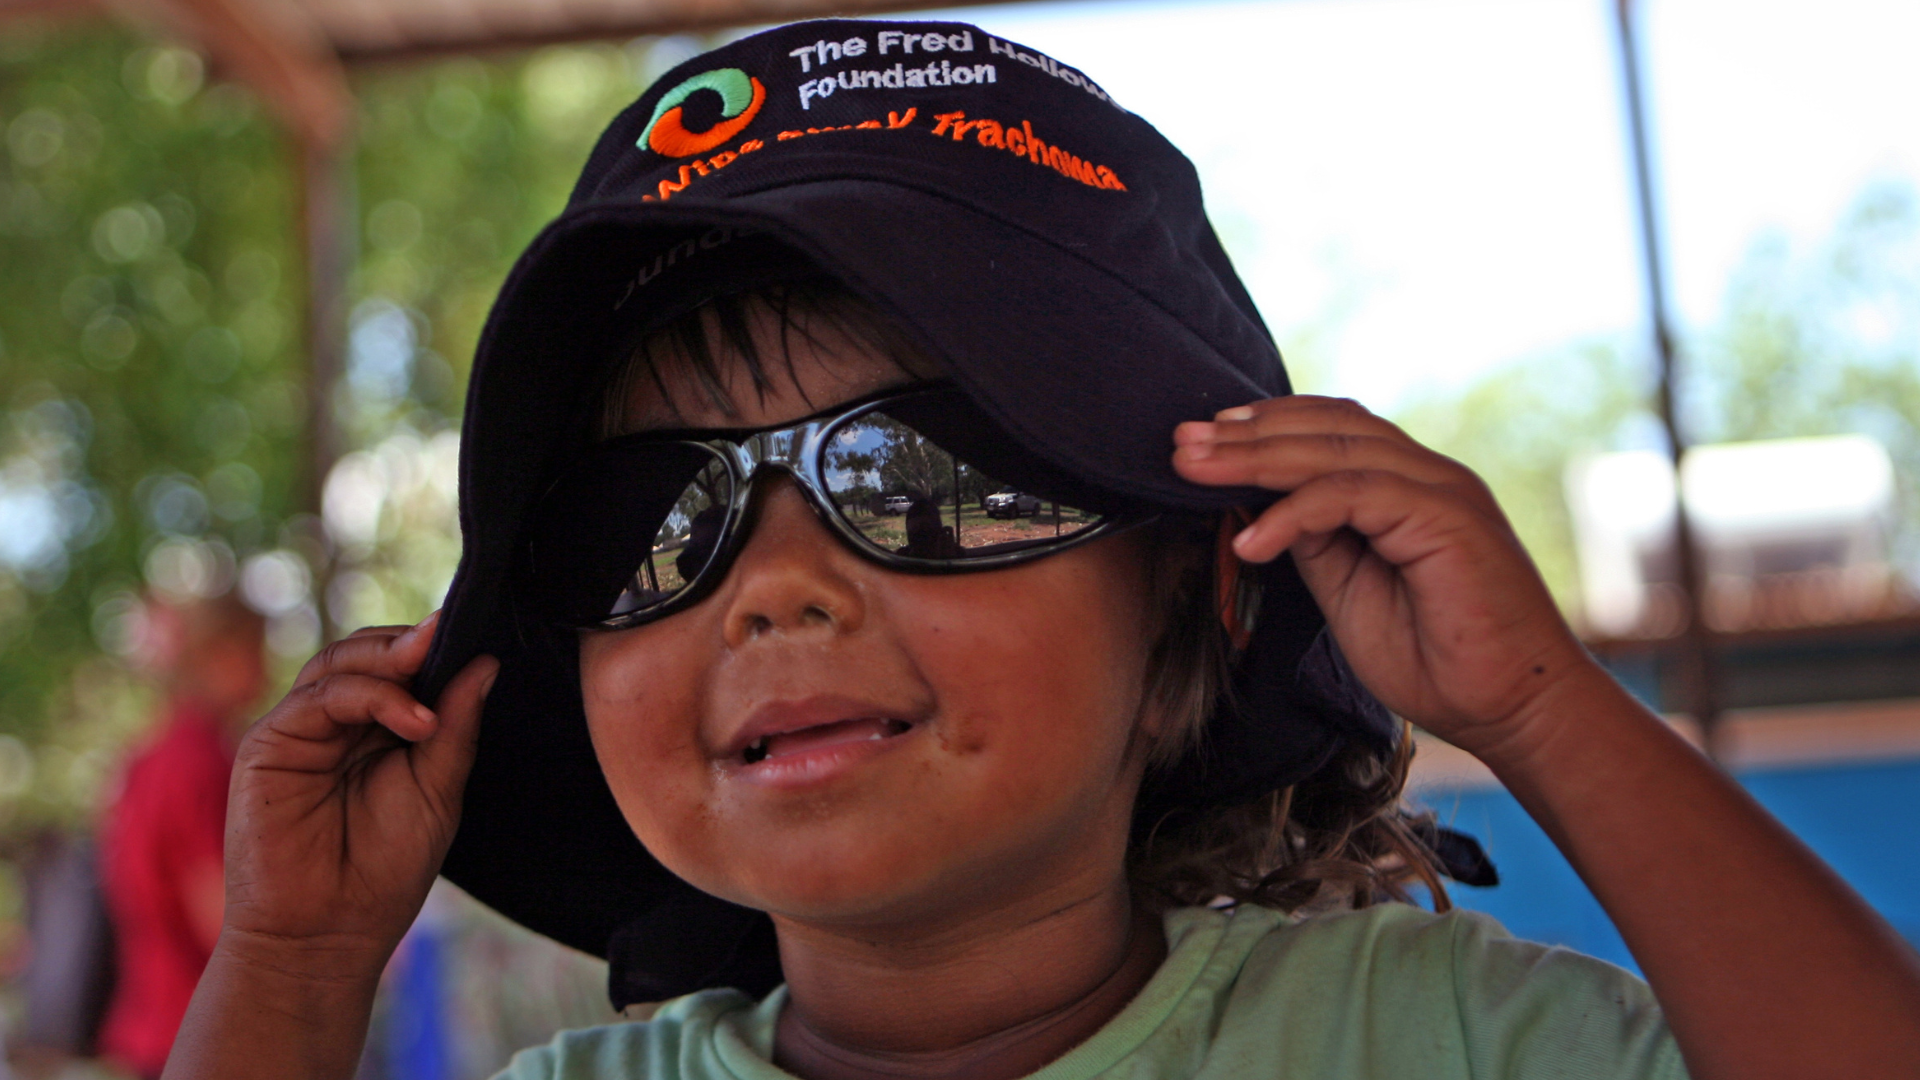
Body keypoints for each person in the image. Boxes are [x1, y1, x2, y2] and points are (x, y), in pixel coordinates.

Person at [166, 19, 1920, 1080]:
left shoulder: (1443, 1040)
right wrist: (298, 972)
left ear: (1192, 601)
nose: (774, 583)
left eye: (927, 477)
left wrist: (1544, 710)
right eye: (656, 518)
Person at [100, 591, 266, 1080]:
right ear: (220, 653)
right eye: (258, 650)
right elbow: (222, 919)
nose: (267, 667)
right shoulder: (202, 762)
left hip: (149, 1034)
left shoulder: (143, 760)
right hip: (204, 1038)